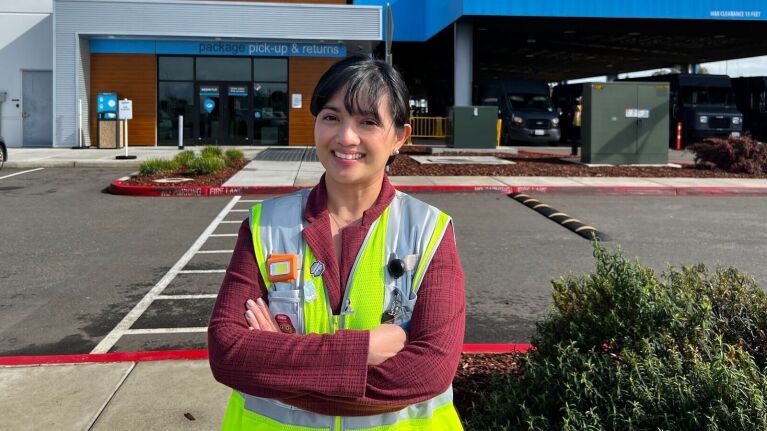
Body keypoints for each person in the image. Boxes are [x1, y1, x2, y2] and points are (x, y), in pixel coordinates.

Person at [208, 55, 466, 430]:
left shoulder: (429, 231)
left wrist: (277, 361)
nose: (346, 137)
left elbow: (429, 372)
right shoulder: (264, 227)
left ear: (399, 138)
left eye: (368, 122)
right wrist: (365, 350)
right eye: (332, 117)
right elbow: (228, 352)